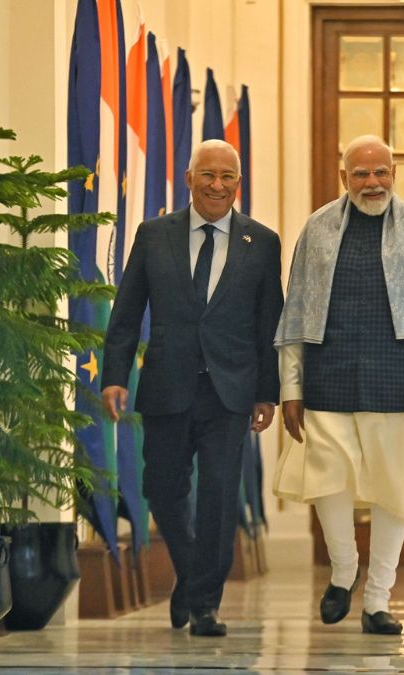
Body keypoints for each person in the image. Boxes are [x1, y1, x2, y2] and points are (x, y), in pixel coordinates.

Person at [273, 135, 404, 635]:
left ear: (394, 174)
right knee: (326, 479)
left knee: (394, 490)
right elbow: (296, 312)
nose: (372, 182)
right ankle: (344, 570)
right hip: (329, 376)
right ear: (344, 177)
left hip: (401, 380)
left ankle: (378, 600)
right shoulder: (317, 229)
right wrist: (290, 388)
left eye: (381, 172)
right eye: (361, 173)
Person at [101, 139, 283, 637]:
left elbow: (270, 323)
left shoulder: (263, 242)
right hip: (167, 382)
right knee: (162, 489)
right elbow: (126, 311)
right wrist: (114, 375)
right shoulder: (153, 235)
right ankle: (191, 573)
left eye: (227, 177)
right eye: (208, 175)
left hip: (231, 390)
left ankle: (204, 603)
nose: (217, 185)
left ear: (238, 183)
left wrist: (267, 393)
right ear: (189, 179)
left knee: (220, 495)